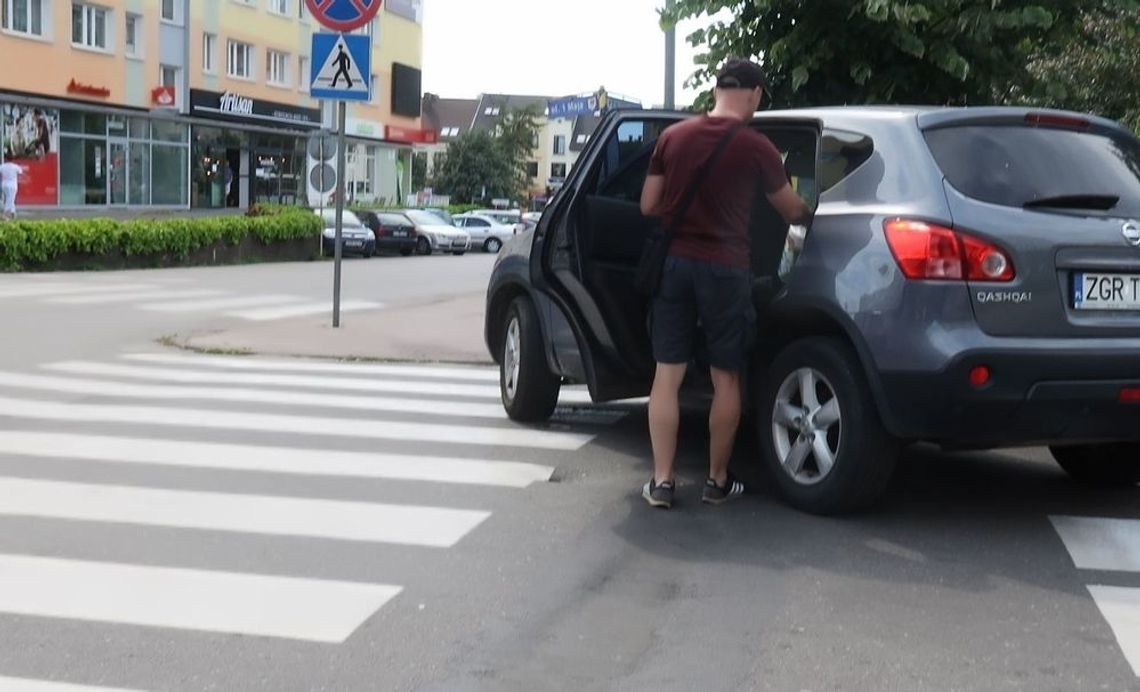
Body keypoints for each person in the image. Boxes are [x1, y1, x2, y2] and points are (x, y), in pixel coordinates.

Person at [638, 58, 813, 509]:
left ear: (716, 90)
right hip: (727, 269)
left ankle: (661, 482)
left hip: (675, 265)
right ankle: (716, 482)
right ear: (753, 94)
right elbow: (792, 210)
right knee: (726, 376)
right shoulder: (757, 148)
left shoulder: (672, 138)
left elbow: (648, 205)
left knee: (667, 375)